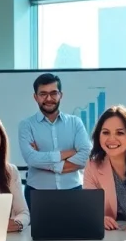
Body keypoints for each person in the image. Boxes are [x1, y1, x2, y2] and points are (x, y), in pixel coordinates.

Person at [18, 73, 93, 207]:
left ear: (60, 95)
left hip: (73, 191)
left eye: (53, 93)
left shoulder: (75, 123)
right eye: (43, 94)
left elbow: (86, 156)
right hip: (37, 193)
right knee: (36, 229)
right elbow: (31, 159)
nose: (49, 98)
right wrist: (67, 153)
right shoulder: (26, 125)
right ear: (35, 97)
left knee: (75, 228)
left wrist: (46, 162)